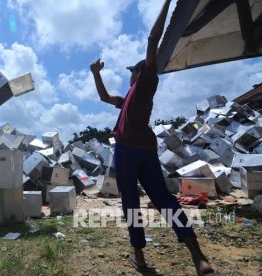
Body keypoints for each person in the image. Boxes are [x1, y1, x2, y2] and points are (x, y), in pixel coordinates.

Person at [90, 1, 218, 275]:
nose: (129, 77)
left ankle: (148, 256)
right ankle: (198, 259)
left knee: (133, 204)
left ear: (139, 72)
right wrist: (96, 75)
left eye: (131, 72)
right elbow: (103, 97)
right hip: (145, 150)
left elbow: (152, 38)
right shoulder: (127, 100)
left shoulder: (147, 81)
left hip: (128, 151)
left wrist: (168, 2)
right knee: (163, 200)